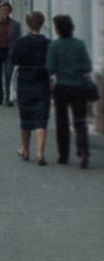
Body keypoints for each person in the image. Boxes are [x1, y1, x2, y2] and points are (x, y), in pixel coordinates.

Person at [46, 14, 95, 168]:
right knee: (80, 121)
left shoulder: (54, 46)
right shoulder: (80, 45)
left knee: (62, 122)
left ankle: (63, 155)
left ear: (58, 29)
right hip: (79, 87)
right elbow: (87, 67)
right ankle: (83, 152)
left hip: (61, 87)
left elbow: (50, 69)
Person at [12, 11, 51, 165]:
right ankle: (40, 153)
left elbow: (15, 59)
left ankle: (26, 150)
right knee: (41, 119)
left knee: (26, 118)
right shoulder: (48, 43)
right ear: (42, 24)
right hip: (42, 84)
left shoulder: (21, 42)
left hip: (25, 84)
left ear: (28, 24)